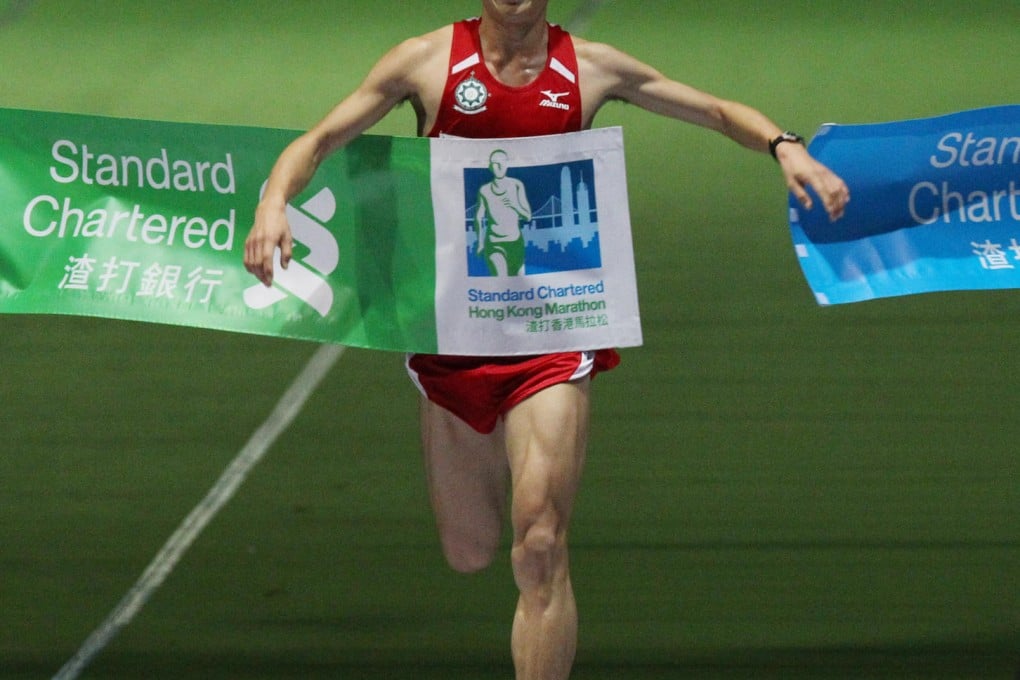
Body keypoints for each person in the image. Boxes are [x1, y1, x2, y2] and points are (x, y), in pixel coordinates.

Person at [243, 2, 850, 678]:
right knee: (469, 548)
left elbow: (710, 110)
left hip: (555, 331)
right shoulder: (424, 62)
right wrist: (273, 203)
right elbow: (321, 138)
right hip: (454, 334)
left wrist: (783, 145)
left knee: (539, 541)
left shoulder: (587, 69)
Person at [476, 149, 532, 276]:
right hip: (494, 243)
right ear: (490, 166)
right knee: (502, 280)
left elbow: (528, 216)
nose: (500, 166)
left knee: (519, 285)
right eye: (496, 163)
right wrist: (480, 243)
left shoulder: (517, 185)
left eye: (502, 162)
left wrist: (515, 205)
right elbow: (479, 217)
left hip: (516, 242)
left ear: (507, 164)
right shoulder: (484, 190)